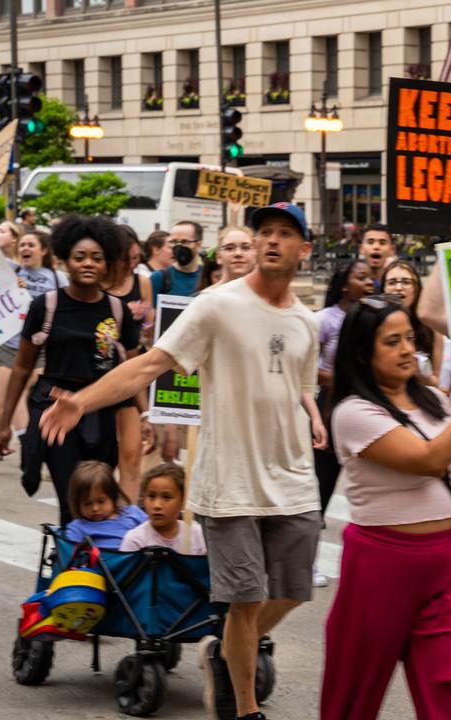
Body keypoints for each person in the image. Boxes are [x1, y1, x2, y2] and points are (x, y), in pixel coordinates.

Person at [38, 202, 327, 720]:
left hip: (294, 479)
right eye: (266, 233)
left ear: (304, 249)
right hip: (231, 482)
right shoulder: (217, 306)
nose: (273, 241)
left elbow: (299, 385)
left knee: (292, 591)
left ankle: (223, 647)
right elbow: (150, 364)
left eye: (286, 234)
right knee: (244, 599)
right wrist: (82, 400)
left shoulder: (307, 321)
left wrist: (314, 414)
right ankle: (244, 707)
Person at [318, 291, 451, 719]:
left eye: (409, 337)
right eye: (391, 341)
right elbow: (429, 461)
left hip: (446, 565)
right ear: (360, 354)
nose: (407, 349)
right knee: (352, 696)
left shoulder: (432, 401)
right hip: (380, 566)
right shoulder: (352, 413)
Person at [0, 216, 142, 526]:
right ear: (65, 261)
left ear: (106, 264)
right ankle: (71, 567)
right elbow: (21, 368)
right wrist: (4, 421)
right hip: (55, 413)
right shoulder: (44, 306)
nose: (88, 264)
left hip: (101, 414)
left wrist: (145, 415)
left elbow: (133, 367)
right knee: (72, 500)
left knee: (100, 499)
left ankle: (91, 565)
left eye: (96, 258)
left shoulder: (117, 310)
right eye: (80, 257)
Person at [0, 229, 69, 476]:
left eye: (31, 245)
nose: (25, 249)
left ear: (43, 249)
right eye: (22, 245)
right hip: (9, 345)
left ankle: (35, 450)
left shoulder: (57, 278)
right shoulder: (11, 270)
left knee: (37, 401)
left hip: (42, 348)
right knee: (7, 401)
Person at [312, 260, 373, 586]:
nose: (369, 282)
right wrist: (344, 379)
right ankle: (308, 558)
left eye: (370, 277)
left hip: (366, 409)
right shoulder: (324, 320)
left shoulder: (370, 320)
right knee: (322, 486)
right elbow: (306, 368)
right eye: (360, 277)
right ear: (344, 285)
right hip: (330, 409)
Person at [104, 226, 155, 498]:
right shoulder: (96, 284)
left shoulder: (142, 282)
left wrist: (146, 318)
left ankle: (129, 517)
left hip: (133, 372)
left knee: (132, 454)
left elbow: (149, 325)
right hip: (101, 375)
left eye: (138, 257)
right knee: (102, 457)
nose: (134, 264)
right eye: (128, 258)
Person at [120, 463, 207, 554]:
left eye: (167, 497)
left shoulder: (197, 535)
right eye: (151, 496)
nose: (157, 505)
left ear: (183, 501)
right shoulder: (135, 541)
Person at [383, 260, 443, 386]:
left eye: (406, 282)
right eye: (392, 282)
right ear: (383, 288)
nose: (399, 288)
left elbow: (438, 382)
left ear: (417, 289)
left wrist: (423, 375)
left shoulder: (432, 329)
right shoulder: (373, 325)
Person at [62, 460, 148, 548]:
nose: (95, 508)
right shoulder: (78, 528)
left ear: (113, 496)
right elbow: (70, 556)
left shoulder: (132, 514)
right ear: (78, 504)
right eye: (87, 503)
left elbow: (156, 530)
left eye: (101, 501)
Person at [150, 220, 205, 297]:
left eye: (185, 242)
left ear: (199, 245)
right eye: (174, 241)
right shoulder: (159, 278)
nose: (179, 246)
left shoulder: (206, 275)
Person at [359, 223, 396, 290]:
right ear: (361, 249)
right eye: (370, 242)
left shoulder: (397, 287)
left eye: (382, 243)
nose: (376, 247)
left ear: (392, 250)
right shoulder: (351, 284)